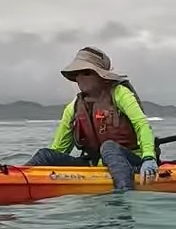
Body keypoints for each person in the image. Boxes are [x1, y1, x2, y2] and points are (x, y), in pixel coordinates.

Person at [25, 46, 159, 191]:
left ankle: (123, 201)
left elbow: (142, 124)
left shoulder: (120, 93)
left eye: (86, 73)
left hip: (131, 160)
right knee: (45, 155)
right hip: (95, 164)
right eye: (76, 73)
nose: (79, 78)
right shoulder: (74, 107)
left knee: (109, 147)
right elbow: (59, 149)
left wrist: (149, 158)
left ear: (100, 76)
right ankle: (17, 178)